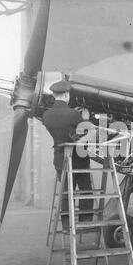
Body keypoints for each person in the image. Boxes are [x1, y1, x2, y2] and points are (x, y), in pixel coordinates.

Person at [42, 80, 93, 228]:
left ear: (54, 95)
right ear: (66, 95)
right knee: (85, 191)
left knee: (65, 192)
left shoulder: (46, 115)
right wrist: (86, 119)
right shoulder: (73, 114)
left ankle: (66, 224)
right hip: (78, 158)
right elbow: (87, 131)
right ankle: (85, 222)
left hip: (59, 158)